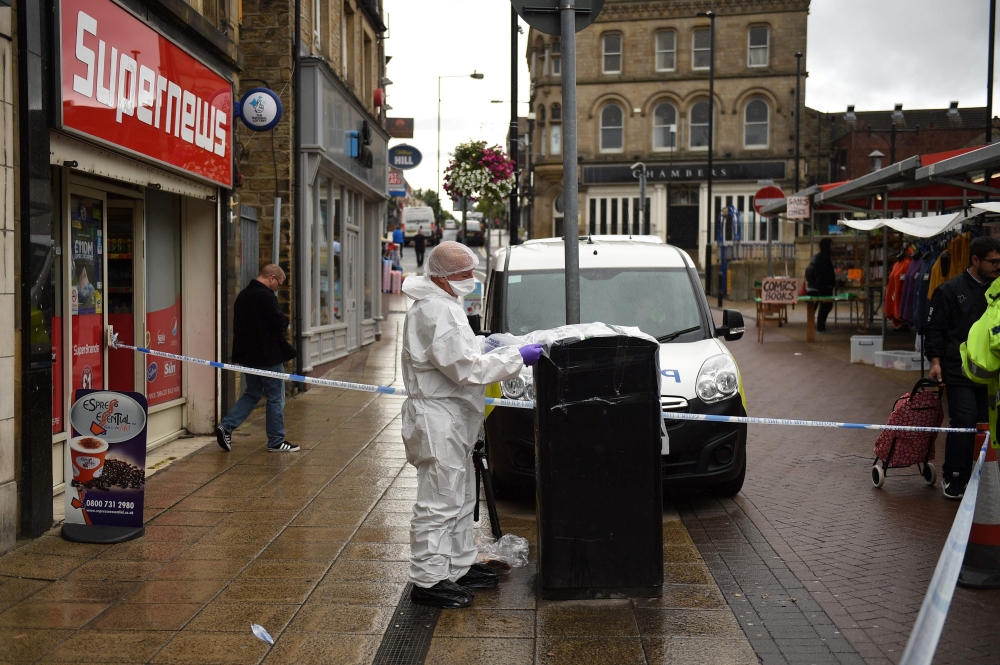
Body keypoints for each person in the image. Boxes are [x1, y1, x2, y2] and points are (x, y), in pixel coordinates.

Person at [401, 241, 543, 608]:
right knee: (439, 501)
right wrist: (515, 357)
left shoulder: (444, 305)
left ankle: (458, 565)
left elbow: (458, 353)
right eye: (465, 274)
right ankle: (429, 581)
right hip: (439, 419)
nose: (471, 280)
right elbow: (465, 369)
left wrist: (487, 344)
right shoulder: (435, 311)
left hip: (452, 418)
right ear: (444, 277)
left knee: (461, 498)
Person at [925, 235, 1000, 499]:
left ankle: (983, 477)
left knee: (986, 425)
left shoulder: (999, 290)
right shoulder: (949, 290)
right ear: (975, 260)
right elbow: (934, 330)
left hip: (993, 374)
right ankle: (955, 477)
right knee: (965, 421)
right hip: (959, 370)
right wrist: (935, 363)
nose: (998, 267)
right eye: (993, 262)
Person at [215, 264, 299, 453]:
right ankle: (276, 441)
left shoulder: (243, 295)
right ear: (272, 278)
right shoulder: (266, 296)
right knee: (276, 397)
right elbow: (278, 323)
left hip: (248, 356)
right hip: (268, 357)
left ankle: (226, 427)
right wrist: (285, 321)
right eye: (279, 283)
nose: (278, 288)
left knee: (253, 393)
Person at [805, 238, 837, 333]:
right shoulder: (823, 257)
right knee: (825, 305)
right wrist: (827, 284)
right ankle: (820, 327)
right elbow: (822, 273)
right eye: (831, 245)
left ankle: (820, 326)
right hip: (823, 287)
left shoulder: (824, 256)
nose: (833, 247)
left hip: (823, 286)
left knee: (826, 305)